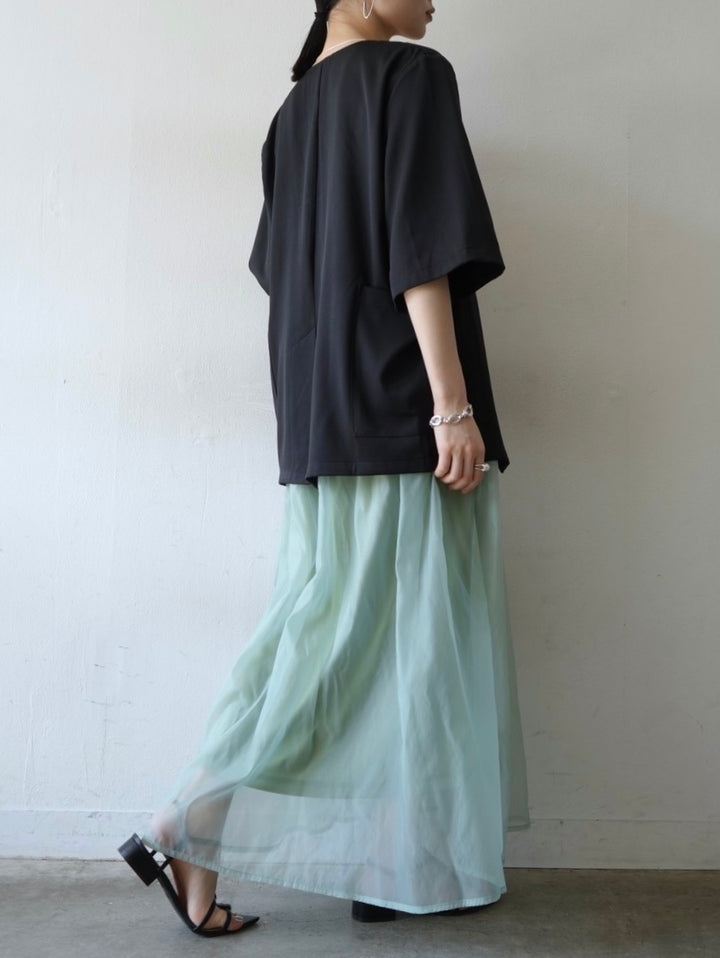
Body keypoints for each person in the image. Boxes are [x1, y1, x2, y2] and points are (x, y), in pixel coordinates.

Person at [118, 0, 530, 937]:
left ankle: (365, 861)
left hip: (319, 412)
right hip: (397, 406)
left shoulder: (290, 117)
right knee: (386, 646)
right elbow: (421, 249)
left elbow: (285, 274)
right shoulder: (411, 76)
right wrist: (452, 404)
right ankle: (186, 819)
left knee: (330, 635)